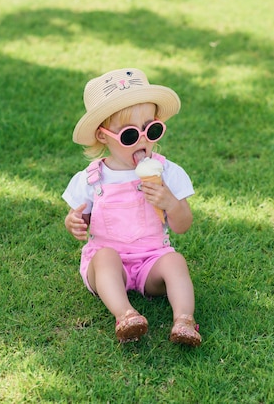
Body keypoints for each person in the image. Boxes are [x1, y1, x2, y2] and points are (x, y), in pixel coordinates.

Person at [62, 68, 201, 346]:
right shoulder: (91, 178)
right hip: (110, 265)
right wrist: (74, 222)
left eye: (152, 129)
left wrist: (170, 202)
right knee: (105, 258)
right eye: (128, 136)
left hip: (152, 260)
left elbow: (183, 225)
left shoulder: (167, 172)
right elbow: (80, 217)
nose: (143, 140)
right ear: (103, 137)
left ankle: (184, 320)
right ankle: (125, 315)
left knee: (175, 261)